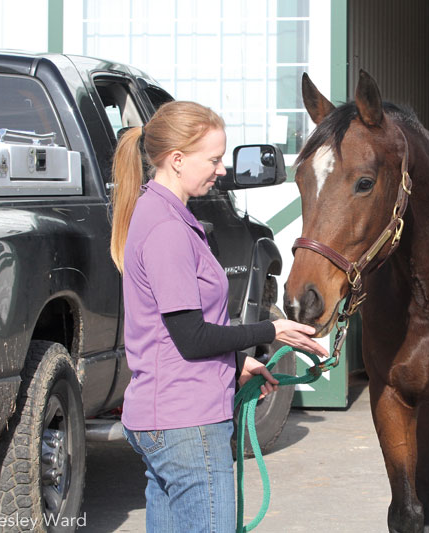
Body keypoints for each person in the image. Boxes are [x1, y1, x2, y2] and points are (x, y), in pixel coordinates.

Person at [109, 100, 328, 533]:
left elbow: (168, 332)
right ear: (176, 160)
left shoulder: (162, 214)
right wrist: (273, 329)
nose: (222, 169)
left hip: (166, 417)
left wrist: (236, 363)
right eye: (212, 159)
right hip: (185, 425)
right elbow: (190, 336)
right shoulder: (168, 229)